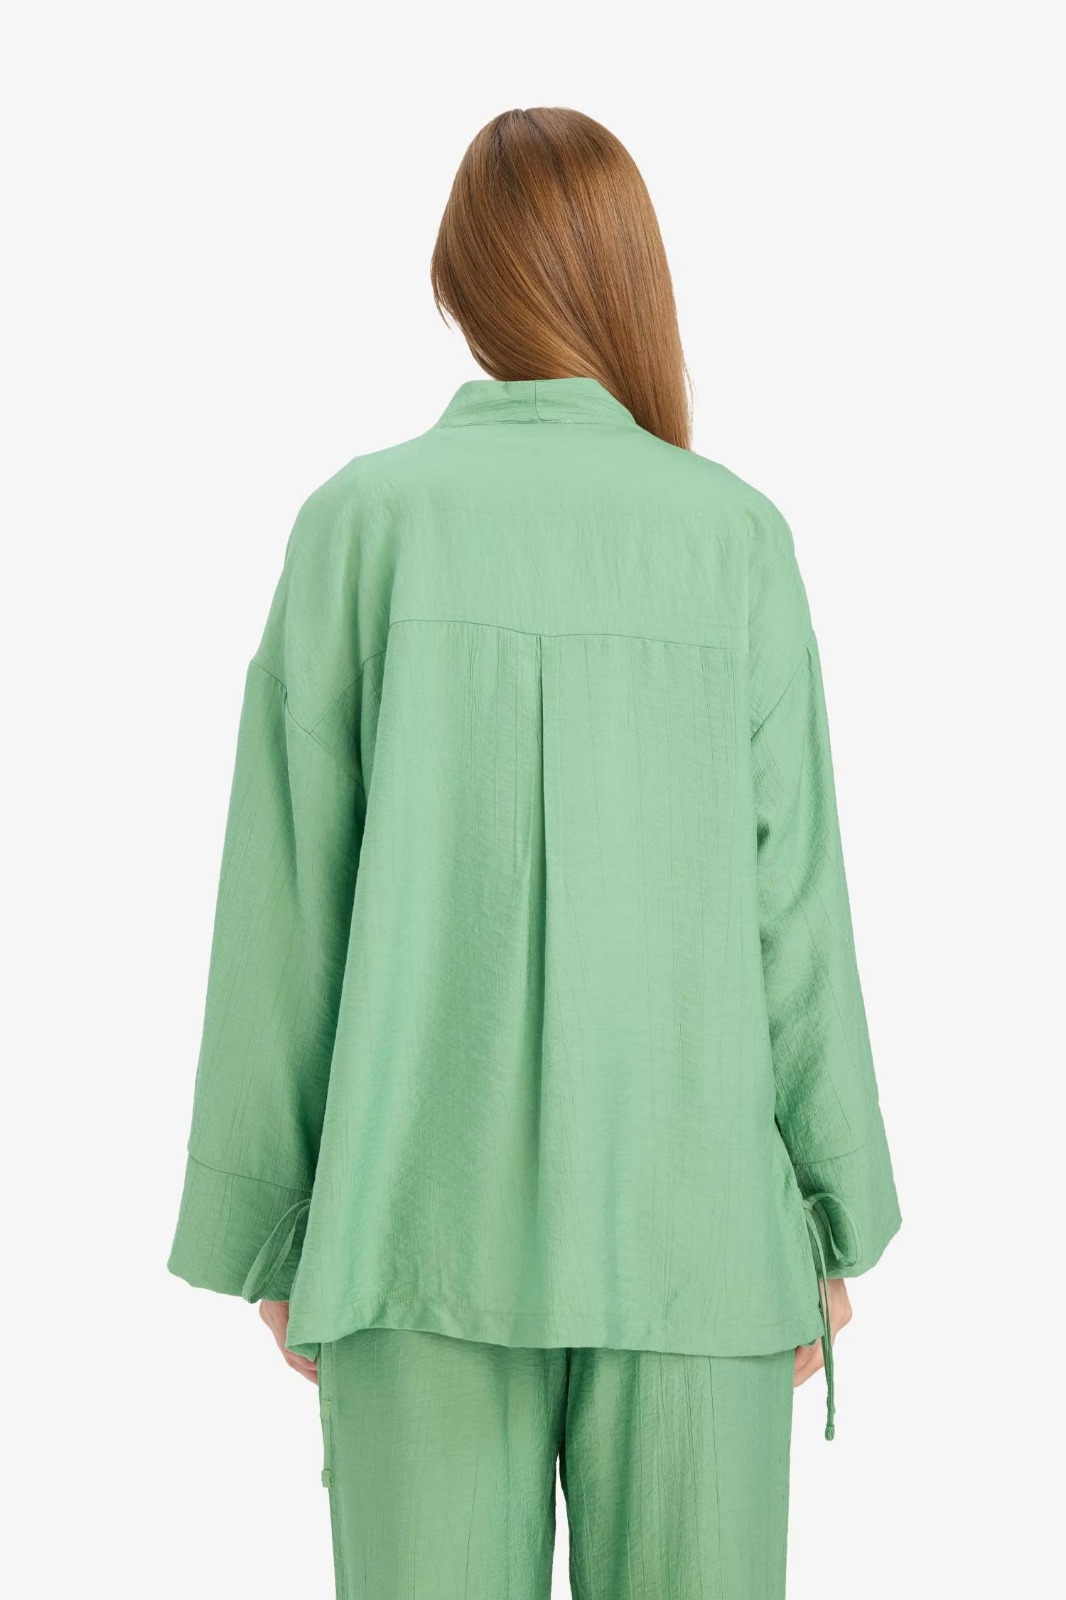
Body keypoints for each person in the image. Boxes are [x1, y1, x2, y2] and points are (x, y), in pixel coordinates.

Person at [168, 106, 901, 1599]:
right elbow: (793, 911)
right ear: (633, 280)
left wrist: (275, 1231)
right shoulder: (733, 539)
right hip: (698, 1238)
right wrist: (829, 1219)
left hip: (411, 1233)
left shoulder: (358, 526)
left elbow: (284, 908)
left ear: (457, 280)